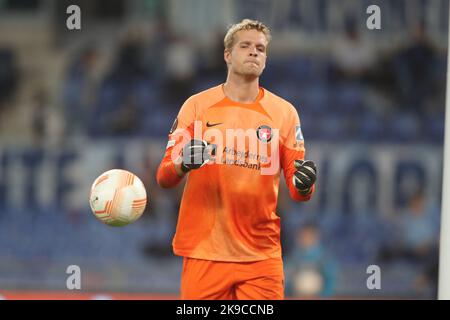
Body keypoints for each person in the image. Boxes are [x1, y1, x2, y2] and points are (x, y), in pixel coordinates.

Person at [156, 19, 317, 300]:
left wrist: (305, 185)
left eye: (260, 48)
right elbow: (164, 177)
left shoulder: (285, 113)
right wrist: (183, 163)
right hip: (205, 252)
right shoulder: (196, 106)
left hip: (261, 256)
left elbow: (298, 190)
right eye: (245, 46)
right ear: (227, 55)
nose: (254, 52)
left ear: (265, 59)